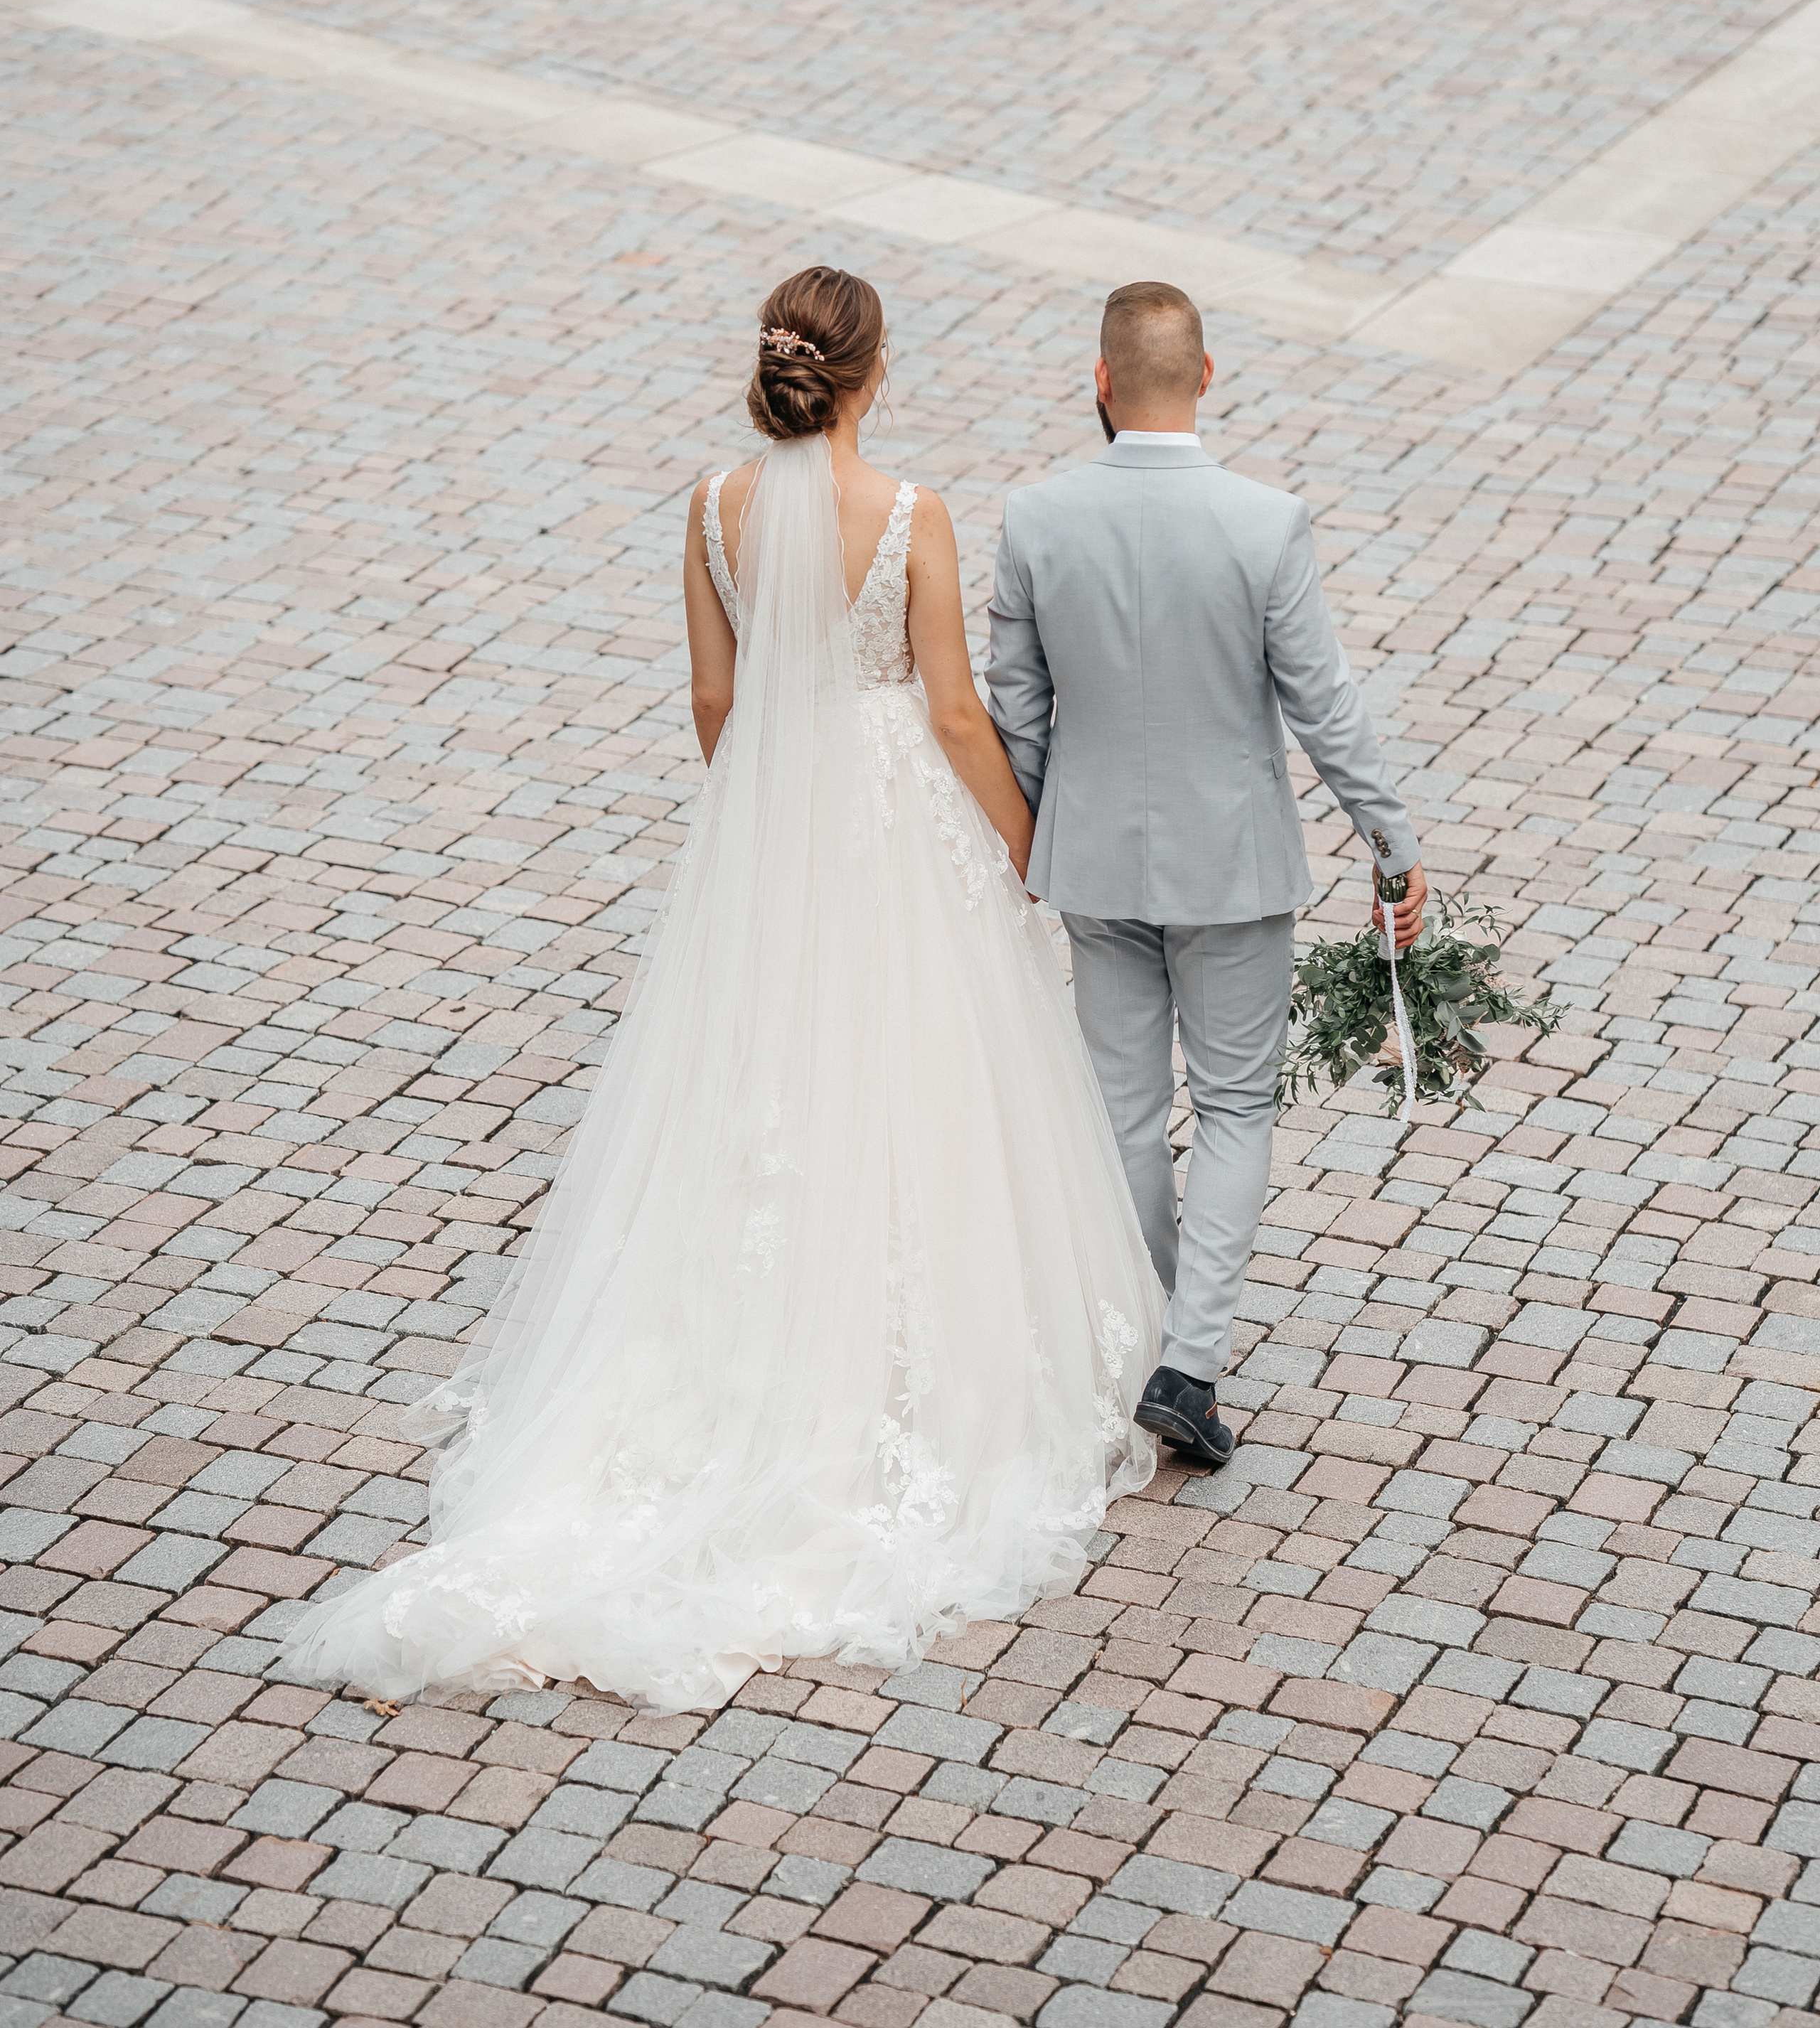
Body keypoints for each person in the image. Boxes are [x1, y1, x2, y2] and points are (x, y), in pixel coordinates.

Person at [282, 265, 1162, 1712]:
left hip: (784, 815)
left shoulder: (709, 508)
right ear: (873, 376)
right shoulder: (916, 516)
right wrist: (1022, 848)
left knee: (758, 1090)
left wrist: (763, 821)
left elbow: (713, 702)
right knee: (914, 1079)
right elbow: (950, 709)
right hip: (896, 822)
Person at [986, 281, 1426, 1475]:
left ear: (1100, 380)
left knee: (1122, 1113)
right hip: (1233, 869)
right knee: (1233, 1108)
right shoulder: (1263, 521)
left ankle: (1159, 1341)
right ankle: (1190, 1361)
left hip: (1087, 861)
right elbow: (1322, 704)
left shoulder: (1036, 517)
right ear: (1209, 375)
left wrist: (1022, 842)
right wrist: (1391, 842)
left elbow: (1015, 707)